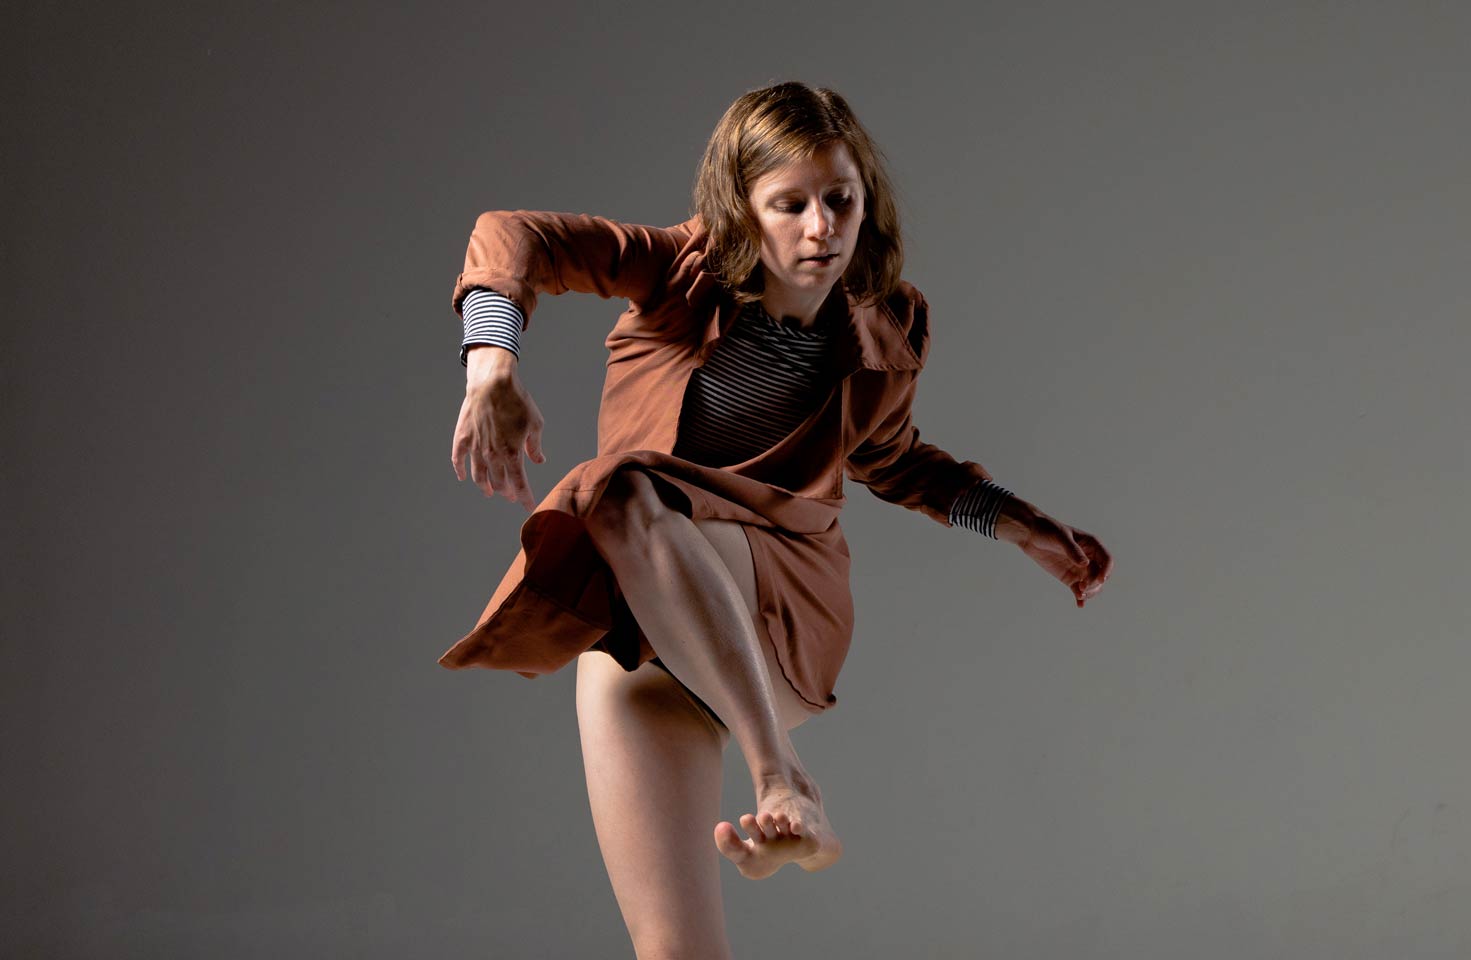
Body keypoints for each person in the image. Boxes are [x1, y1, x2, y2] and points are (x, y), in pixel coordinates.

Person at [441, 81, 1113, 959]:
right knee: (675, 950)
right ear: (741, 211)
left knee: (619, 492)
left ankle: (782, 779)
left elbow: (893, 458)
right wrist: (490, 367)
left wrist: (1020, 526)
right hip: (647, 639)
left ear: (865, 202)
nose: (820, 229)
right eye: (788, 205)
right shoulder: (677, 274)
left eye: (839, 201)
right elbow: (513, 236)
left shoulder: (884, 326)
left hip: (779, 605)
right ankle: (777, 809)